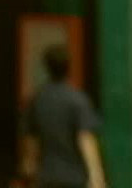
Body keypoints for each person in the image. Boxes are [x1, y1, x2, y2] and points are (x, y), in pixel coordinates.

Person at [19, 43, 107, 188]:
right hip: (74, 177)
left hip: (46, 176)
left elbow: (31, 139)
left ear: (46, 67)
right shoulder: (77, 100)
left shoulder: (37, 100)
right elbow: (85, 139)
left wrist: (29, 165)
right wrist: (96, 175)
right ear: (69, 67)